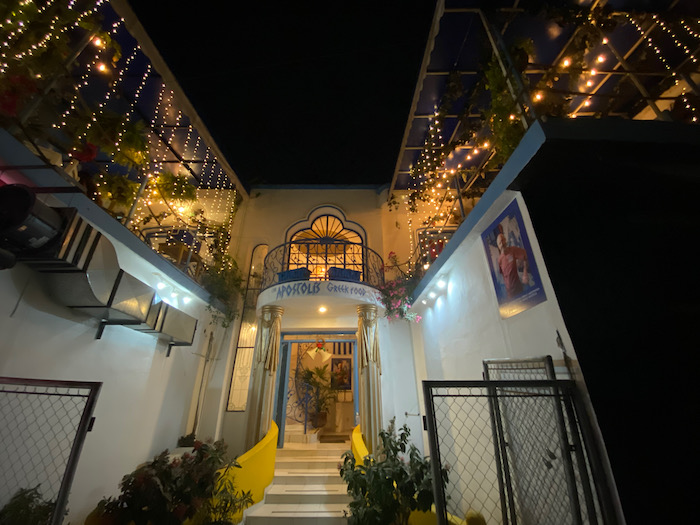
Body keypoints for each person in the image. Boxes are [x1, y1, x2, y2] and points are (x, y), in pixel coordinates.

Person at [496, 232, 529, 298]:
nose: (502, 244)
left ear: (505, 240)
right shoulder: (499, 260)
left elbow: (525, 255)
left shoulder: (512, 250)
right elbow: (502, 274)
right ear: (498, 247)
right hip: (509, 293)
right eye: (500, 243)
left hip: (518, 288)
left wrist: (525, 273)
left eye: (503, 240)